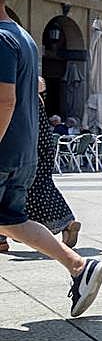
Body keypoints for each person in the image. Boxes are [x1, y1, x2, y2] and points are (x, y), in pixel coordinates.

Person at [0, 0, 102, 315]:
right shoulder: (23, 37)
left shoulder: (1, 39)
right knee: (12, 220)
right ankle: (79, 267)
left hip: (3, 148)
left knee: (10, 221)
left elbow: (5, 100)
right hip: (22, 148)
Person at [0, 77, 82, 252]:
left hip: (25, 149)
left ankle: (3, 238)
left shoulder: (15, 96)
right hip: (42, 146)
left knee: (11, 192)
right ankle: (67, 223)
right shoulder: (35, 100)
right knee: (41, 186)